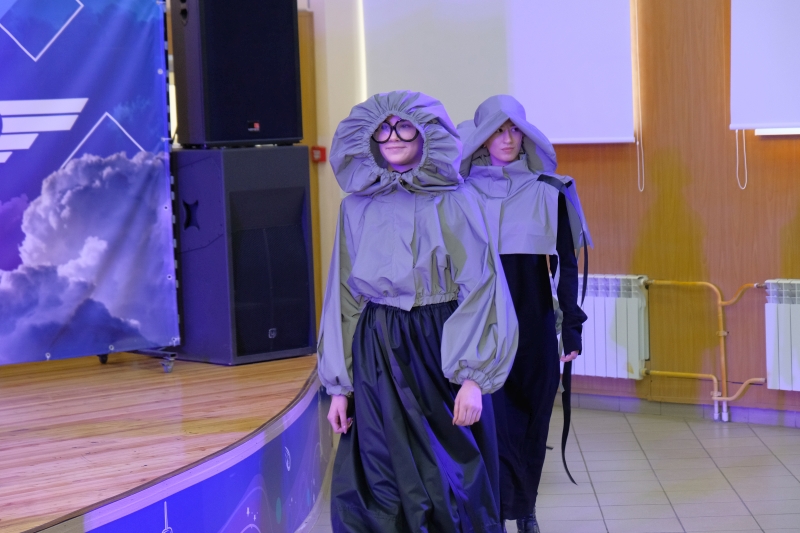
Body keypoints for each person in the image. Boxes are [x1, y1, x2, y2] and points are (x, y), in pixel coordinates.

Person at [317, 90, 519, 533]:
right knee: (381, 476)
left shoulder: (457, 200)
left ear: (427, 132)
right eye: (383, 128)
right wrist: (339, 387)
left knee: (448, 477)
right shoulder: (356, 207)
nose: (392, 136)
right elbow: (344, 297)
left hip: (440, 343)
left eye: (404, 126)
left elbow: (482, 285)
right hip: (377, 349)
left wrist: (473, 378)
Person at [458, 95, 591, 533]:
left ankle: (527, 509)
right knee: (493, 423)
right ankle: (496, 514)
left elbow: (567, 262)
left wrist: (571, 327)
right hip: (482, 325)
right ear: (482, 138)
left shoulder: (550, 190)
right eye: (498, 130)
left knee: (533, 418)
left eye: (514, 129)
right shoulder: (461, 194)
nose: (508, 138)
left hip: (534, 323)